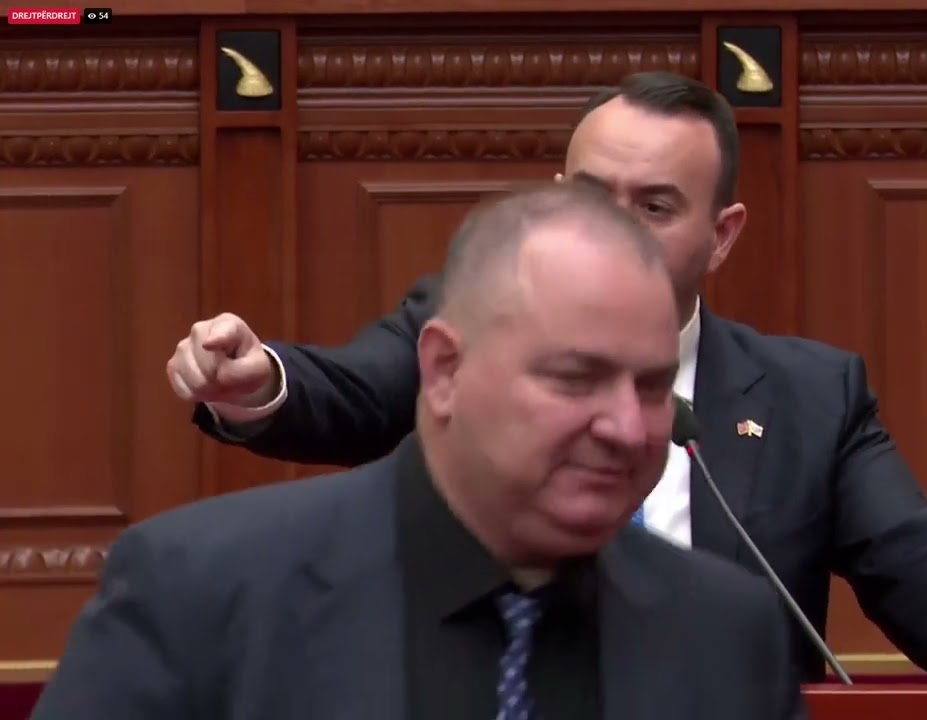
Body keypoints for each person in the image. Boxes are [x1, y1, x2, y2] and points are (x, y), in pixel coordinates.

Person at [166, 71, 927, 719]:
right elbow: (355, 388)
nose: (613, 229)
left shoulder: (810, 395)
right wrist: (262, 381)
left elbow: (919, 566)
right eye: (591, 197)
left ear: (721, 236)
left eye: (655, 206)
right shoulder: (461, 328)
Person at [35, 183, 805, 720]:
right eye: (576, 378)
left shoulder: (727, 631)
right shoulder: (201, 594)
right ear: (443, 371)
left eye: (653, 387)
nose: (629, 429)